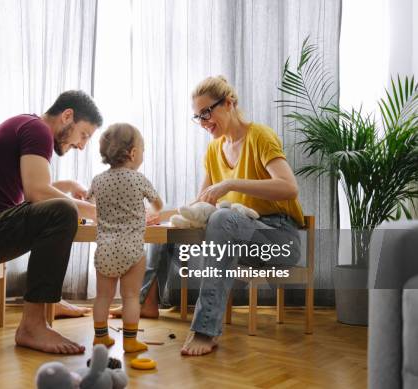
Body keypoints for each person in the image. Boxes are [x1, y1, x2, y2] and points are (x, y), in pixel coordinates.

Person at [112, 75, 305, 356]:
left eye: (206, 113)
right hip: (233, 241)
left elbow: (289, 188)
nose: (203, 122)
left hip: (277, 239)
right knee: (171, 225)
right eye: (197, 117)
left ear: (228, 103)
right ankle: (147, 301)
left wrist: (230, 184)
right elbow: (200, 204)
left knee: (221, 218)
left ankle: (205, 329)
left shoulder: (260, 137)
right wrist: (162, 214)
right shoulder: (214, 149)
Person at [0, 90, 102, 355]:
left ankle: (50, 303)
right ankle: (32, 326)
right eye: (84, 135)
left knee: (60, 208)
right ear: (67, 116)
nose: (82, 146)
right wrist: (96, 211)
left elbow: (28, 193)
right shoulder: (37, 130)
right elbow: (38, 193)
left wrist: (69, 186)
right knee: (61, 212)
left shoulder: (26, 126)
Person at [86, 123, 163, 353]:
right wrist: (150, 212)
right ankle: (130, 341)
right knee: (130, 297)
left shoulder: (98, 180)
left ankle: (101, 337)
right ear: (133, 153)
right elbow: (157, 205)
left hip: (105, 250)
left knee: (102, 297)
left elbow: (89, 203)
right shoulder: (139, 179)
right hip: (132, 249)